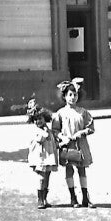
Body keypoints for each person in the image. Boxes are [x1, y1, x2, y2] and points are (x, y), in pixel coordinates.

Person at [52, 78, 96, 207]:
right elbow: (55, 130)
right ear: (64, 97)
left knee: (82, 170)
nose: (73, 98)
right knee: (69, 169)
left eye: (75, 95)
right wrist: (62, 137)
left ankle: (85, 197)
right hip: (68, 145)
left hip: (80, 145)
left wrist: (81, 133)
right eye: (69, 95)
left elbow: (91, 127)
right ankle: (73, 197)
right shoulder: (60, 113)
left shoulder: (83, 112)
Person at [25, 99, 59, 210]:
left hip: (48, 157)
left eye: (40, 118)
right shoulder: (36, 130)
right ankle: (40, 199)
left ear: (45, 118)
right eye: (35, 120)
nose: (38, 121)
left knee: (47, 177)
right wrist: (44, 131)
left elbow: (52, 140)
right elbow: (40, 139)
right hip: (40, 157)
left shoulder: (47, 129)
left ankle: (45, 198)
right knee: (41, 177)